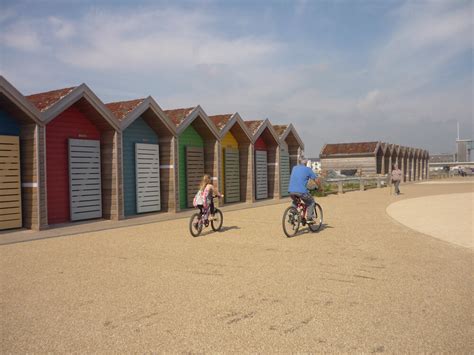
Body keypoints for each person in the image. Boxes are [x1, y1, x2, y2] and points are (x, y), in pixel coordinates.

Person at [288, 157, 320, 223]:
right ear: (306, 162)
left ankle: (292, 213)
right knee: (311, 202)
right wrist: (320, 188)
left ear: (298, 162)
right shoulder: (308, 169)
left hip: (291, 191)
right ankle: (309, 218)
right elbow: (316, 180)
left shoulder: (294, 168)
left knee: (296, 201)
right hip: (301, 192)